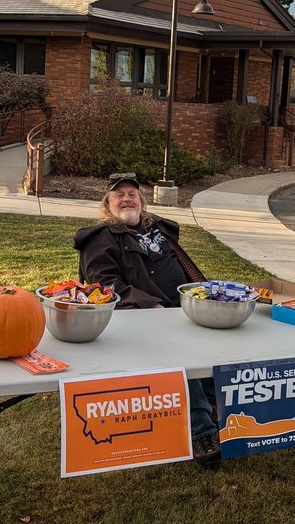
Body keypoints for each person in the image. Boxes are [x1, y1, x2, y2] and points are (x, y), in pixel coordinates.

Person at [74, 172, 221, 468]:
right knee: (184, 357)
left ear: (141, 201)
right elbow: (102, 287)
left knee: (221, 340)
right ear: (108, 204)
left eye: (132, 194)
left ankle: (224, 413)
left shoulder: (159, 231)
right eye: (119, 195)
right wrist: (149, 304)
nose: (127, 199)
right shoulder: (100, 238)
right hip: (141, 319)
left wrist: (207, 298)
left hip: (183, 310)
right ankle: (202, 432)